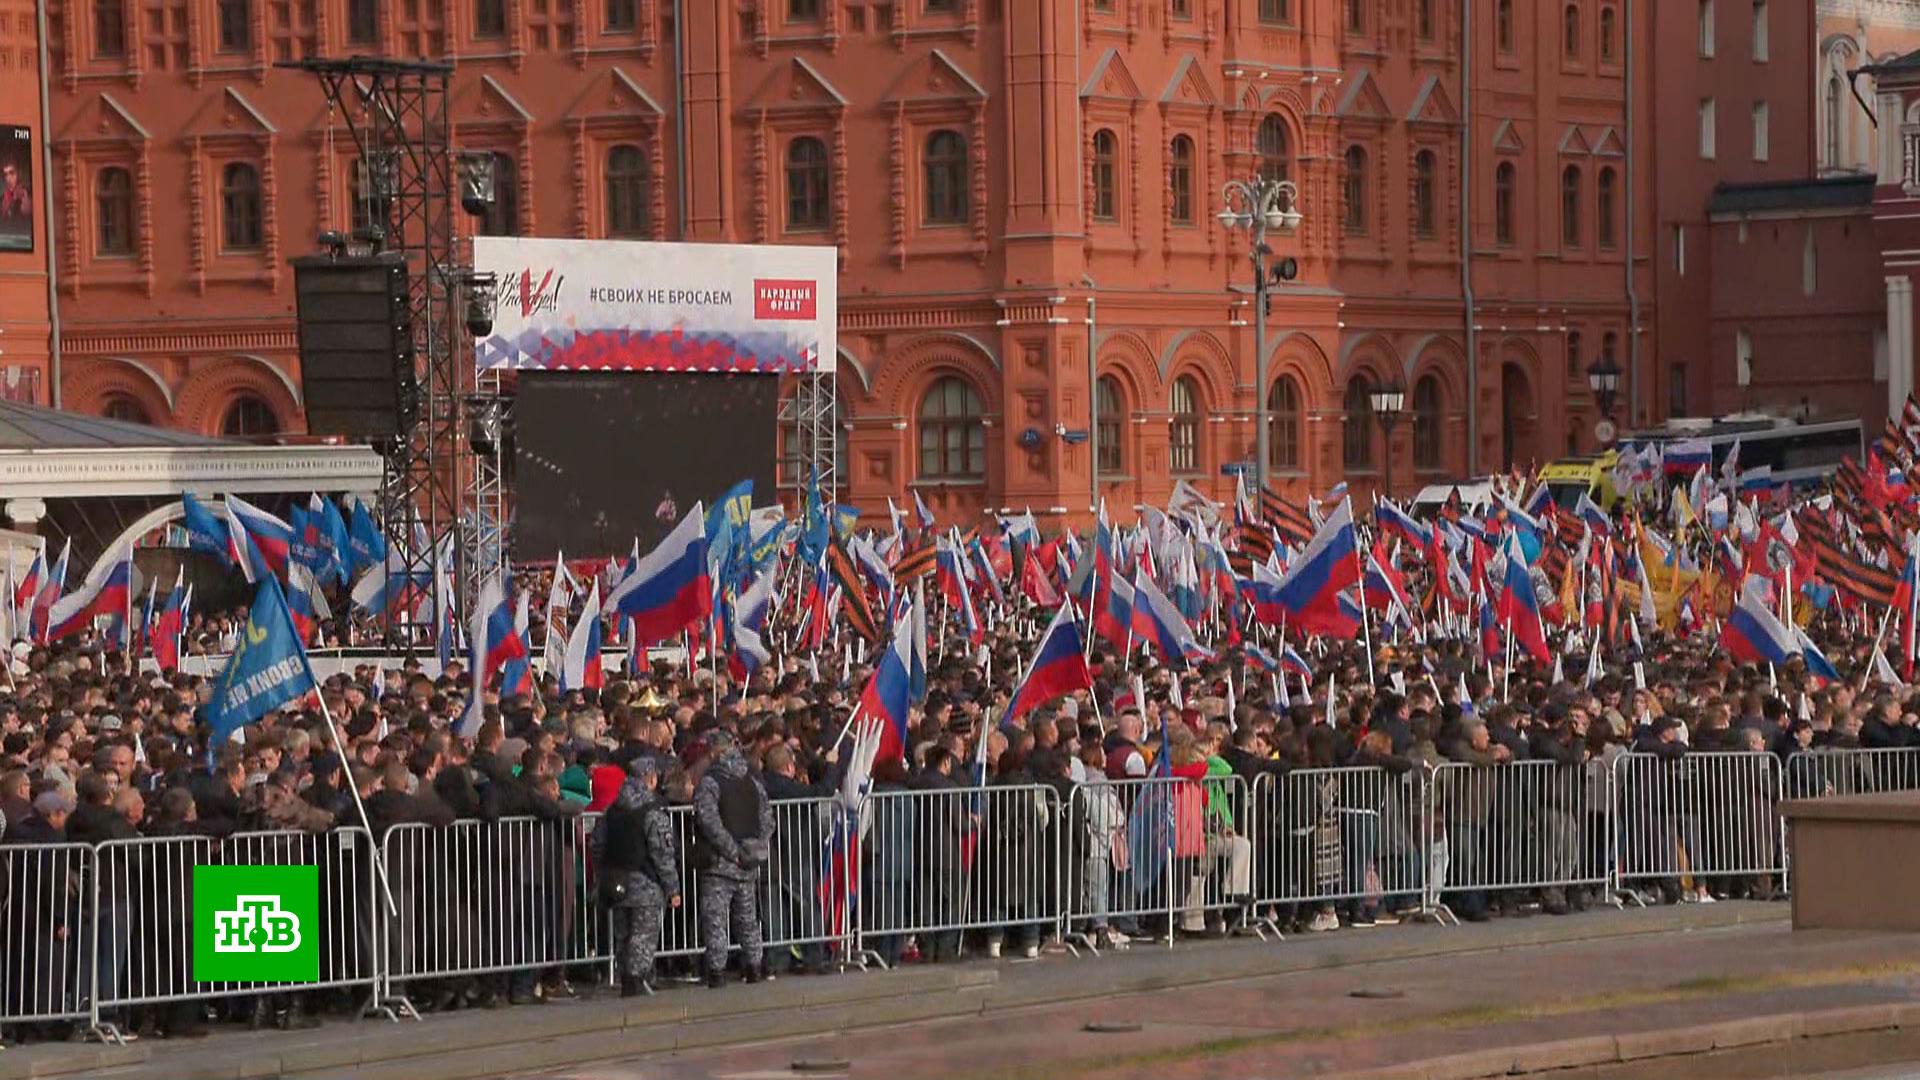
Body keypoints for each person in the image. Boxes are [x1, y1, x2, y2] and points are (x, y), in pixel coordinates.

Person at [590, 757, 680, 996]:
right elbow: (662, 853)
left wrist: (602, 872)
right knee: (644, 933)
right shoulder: (652, 810)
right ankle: (635, 978)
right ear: (650, 778)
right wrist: (672, 888)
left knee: (623, 933)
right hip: (645, 882)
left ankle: (628, 978)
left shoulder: (612, 809)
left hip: (615, 880)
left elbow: (597, 844)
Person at [690, 729, 772, 987]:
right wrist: (754, 847)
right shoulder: (752, 779)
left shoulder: (711, 781)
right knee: (747, 918)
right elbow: (767, 819)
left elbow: (708, 820)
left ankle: (716, 972)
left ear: (714, 751)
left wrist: (731, 850)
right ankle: (754, 967)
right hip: (747, 862)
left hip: (719, 863)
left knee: (716, 920)